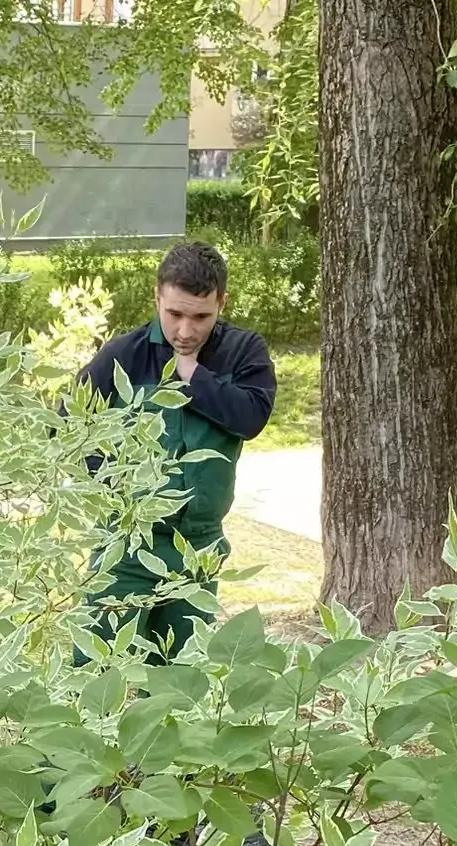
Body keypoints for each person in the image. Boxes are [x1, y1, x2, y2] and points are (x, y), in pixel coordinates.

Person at [75, 241, 276, 660]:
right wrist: (114, 487)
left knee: (179, 683)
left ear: (222, 301)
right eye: (175, 314)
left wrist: (192, 374)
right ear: (158, 298)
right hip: (127, 548)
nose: (186, 330)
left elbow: (251, 418)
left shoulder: (244, 351)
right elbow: (71, 425)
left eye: (201, 316)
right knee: (95, 672)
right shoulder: (124, 355)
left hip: (197, 549)